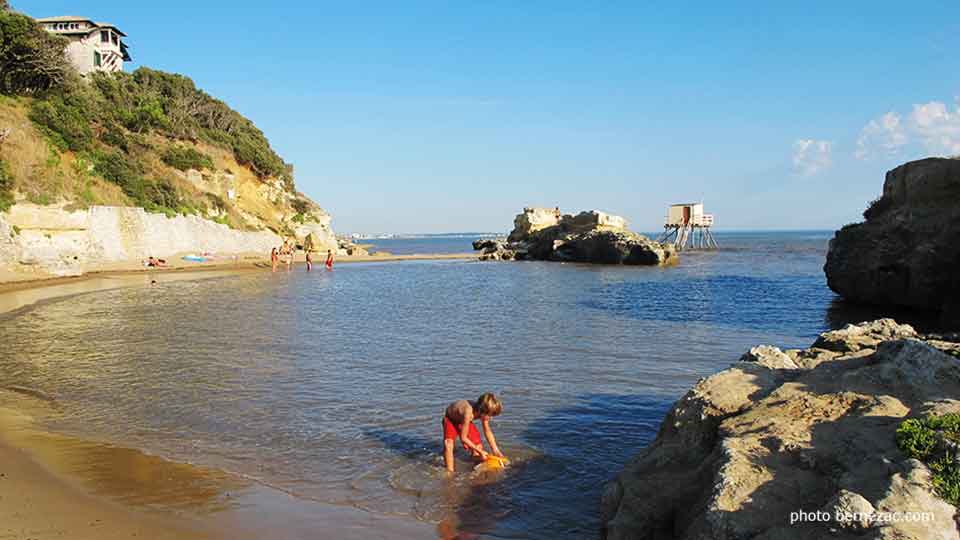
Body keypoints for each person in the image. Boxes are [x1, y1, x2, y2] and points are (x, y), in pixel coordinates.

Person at [442, 392, 504, 472]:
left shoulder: (483, 412)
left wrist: (496, 450)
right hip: (450, 419)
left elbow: (487, 431)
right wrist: (481, 452)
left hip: (464, 421)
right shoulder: (468, 412)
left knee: (478, 446)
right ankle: (449, 472)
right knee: (448, 444)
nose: (490, 418)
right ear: (482, 410)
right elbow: (463, 438)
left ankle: (476, 468)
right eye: (490, 415)